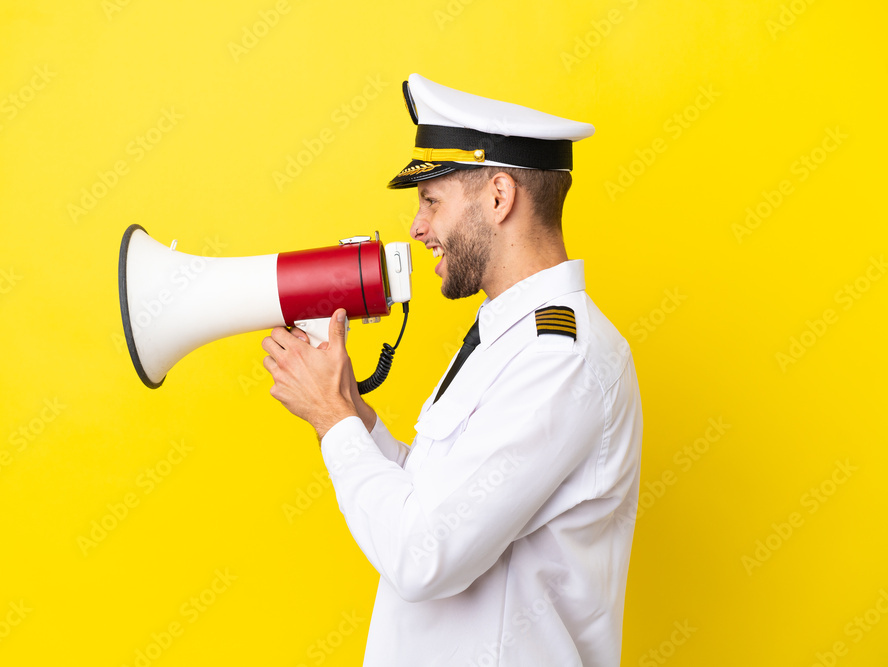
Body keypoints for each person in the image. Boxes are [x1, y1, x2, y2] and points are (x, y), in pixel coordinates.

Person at [262, 73, 643, 667]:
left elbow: (424, 554)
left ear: (498, 197)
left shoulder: (559, 358)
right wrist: (350, 411)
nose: (416, 228)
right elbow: (440, 498)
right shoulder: (508, 337)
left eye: (431, 201)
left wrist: (333, 419)